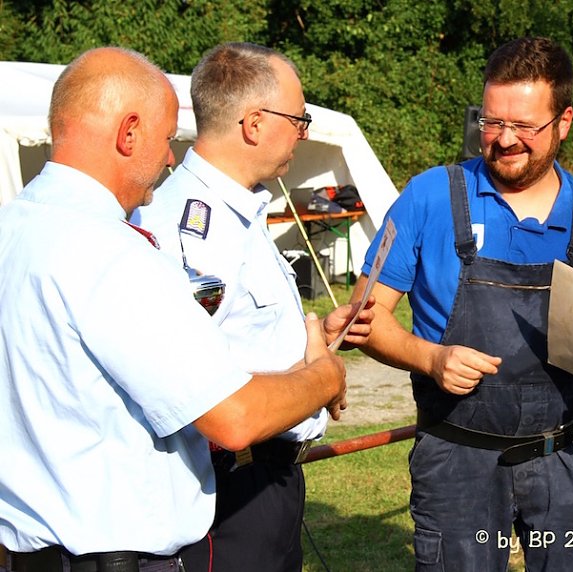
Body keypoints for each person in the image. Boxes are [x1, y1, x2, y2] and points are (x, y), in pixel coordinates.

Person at [0, 47, 357, 572]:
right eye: (167, 139)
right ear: (129, 134)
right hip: (116, 556)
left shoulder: (15, 228)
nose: (171, 159)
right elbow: (234, 419)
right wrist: (324, 378)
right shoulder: (114, 253)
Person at [349, 37, 573, 571]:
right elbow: (361, 318)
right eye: (492, 123)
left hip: (568, 456)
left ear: (563, 122)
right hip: (457, 460)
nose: (505, 140)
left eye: (525, 126)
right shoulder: (429, 197)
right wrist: (430, 359)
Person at [132, 43, 373, 572]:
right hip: (230, 488)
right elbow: (186, 382)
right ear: (255, 123)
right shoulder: (193, 231)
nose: (303, 132)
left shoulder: (238, 209)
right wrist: (317, 378)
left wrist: (314, 340)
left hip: (268, 479)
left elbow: (239, 331)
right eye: (298, 118)